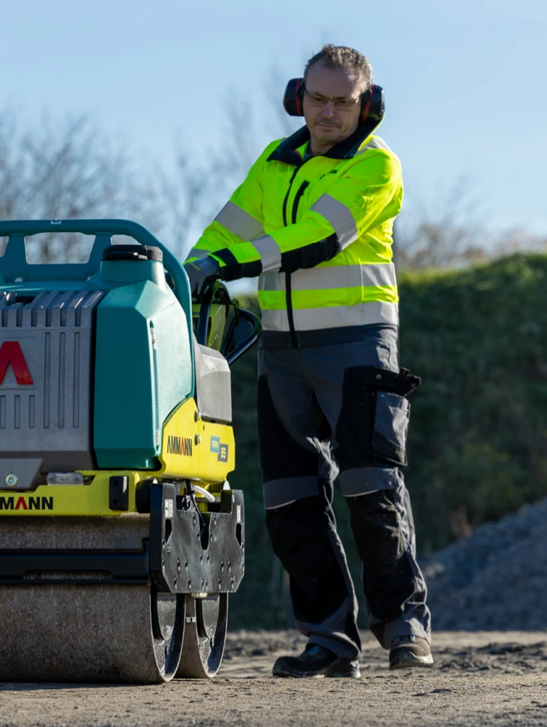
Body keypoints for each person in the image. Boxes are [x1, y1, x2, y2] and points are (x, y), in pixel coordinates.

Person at [184, 45, 431, 678]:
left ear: (367, 104)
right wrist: (190, 268)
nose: (327, 113)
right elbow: (226, 230)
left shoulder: (377, 166)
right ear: (298, 98)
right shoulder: (276, 161)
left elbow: (316, 239)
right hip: (281, 352)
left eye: (342, 102)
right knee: (290, 499)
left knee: (372, 490)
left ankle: (405, 629)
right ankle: (328, 640)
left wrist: (229, 265)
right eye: (317, 99)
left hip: (356, 346)